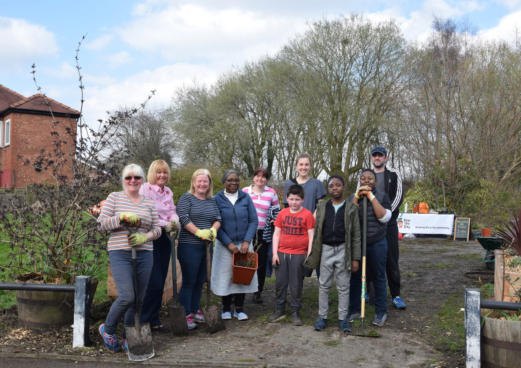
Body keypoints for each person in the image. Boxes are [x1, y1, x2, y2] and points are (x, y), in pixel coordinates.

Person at [97, 163, 162, 352]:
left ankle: (128, 337)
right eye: (128, 177)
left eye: (137, 177)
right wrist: (121, 218)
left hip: (145, 253)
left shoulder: (149, 202)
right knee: (127, 296)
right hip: (120, 253)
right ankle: (107, 329)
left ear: (142, 180)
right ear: (123, 180)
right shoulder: (114, 198)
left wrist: (146, 236)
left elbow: (157, 228)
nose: (133, 181)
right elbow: (101, 225)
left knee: (139, 299)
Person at [304, 175, 361, 332]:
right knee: (323, 284)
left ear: (344, 187)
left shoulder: (351, 208)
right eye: (331, 186)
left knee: (343, 286)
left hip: (344, 250)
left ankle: (343, 319)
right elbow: (313, 227)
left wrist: (355, 258)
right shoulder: (322, 207)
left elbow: (356, 235)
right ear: (328, 189)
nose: (334, 188)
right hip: (326, 249)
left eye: (338, 185)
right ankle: (322, 317)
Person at [176, 169, 221, 330]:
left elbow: (218, 218)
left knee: (200, 280)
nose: (202, 184)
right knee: (189, 280)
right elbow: (183, 217)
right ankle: (186, 313)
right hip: (189, 246)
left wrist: (213, 230)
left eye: (205, 181)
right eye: (199, 181)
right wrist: (198, 232)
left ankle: (195, 310)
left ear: (209, 184)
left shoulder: (212, 200)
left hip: (207, 247)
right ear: (194, 183)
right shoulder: (186, 198)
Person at [212, 170, 258, 320]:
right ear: (224, 182)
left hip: (243, 244)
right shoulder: (217, 199)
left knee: (242, 276)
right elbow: (215, 223)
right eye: (230, 180)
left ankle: (239, 309)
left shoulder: (245, 198)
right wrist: (229, 244)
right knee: (226, 276)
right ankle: (225, 308)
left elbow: (253, 220)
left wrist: (247, 241)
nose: (234, 183)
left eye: (236, 180)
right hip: (225, 245)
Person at [348, 169, 391, 327]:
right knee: (355, 276)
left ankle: (381, 312)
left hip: (377, 242)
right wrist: (358, 197)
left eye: (370, 179)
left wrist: (371, 197)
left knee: (379, 276)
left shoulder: (382, 196)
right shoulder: (353, 197)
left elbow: (384, 217)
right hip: (358, 243)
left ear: (375, 182)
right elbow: (349, 216)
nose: (366, 181)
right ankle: (354, 309)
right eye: (363, 178)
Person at [139, 159, 179, 331]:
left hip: (165, 238)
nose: (162, 175)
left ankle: (154, 318)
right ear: (152, 173)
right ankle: (143, 319)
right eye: (158, 172)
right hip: (150, 237)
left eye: (164, 172)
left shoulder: (168, 191)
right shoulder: (145, 189)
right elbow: (147, 214)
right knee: (153, 280)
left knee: (161, 279)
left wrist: (175, 222)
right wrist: (166, 224)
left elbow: (172, 211)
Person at [269, 184, 315, 326]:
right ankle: (279, 309)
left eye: (297, 199)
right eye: (291, 199)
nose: (294, 202)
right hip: (282, 253)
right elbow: (276, 233)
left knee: (296, 284)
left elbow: (311, 235)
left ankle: (295, 311)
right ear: (287, 199)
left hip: (299, 254)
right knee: (280, 283)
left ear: (302, 199)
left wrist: (308, 254)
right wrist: (274, 253)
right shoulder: (282, 213)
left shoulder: (307, 214)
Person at [370, 146, 406, 310]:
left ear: (386, 157)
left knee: (391, 259)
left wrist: (386, 214)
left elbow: (398, 196)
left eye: (380, 155)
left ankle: (396, 295)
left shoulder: (394, 174)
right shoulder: (366, 174)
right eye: (375, 155)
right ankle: (370, 293)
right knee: (370, 258)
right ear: (372, 158)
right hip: (371, 224)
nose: (377, 158)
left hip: (389, 223)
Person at [242, 168, 280, 304]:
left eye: (263, 177)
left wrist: (274, 220)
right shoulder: (245, 192)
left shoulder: (271, 193)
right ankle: (242, 291)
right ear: (253, 178)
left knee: (261, 263)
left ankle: (258, 292)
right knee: (245, 261)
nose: (260, 179)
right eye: (257, 176)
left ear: (266, 180)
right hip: (247, 232)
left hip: (263, 232)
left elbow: (277, 211)